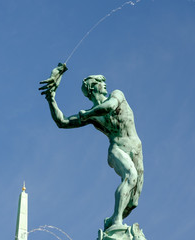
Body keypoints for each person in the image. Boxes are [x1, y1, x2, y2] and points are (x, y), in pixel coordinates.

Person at [39, 64, 144, 230]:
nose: (105, 84)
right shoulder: (93, 116)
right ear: (92, 88)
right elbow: (62, 122)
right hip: (117, 148)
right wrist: (51, 99)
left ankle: (112, 221)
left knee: (133, 202)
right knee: (130, 176)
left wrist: (87, 114)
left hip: (136, 148)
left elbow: (108, 107)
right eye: (101, 81)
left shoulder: (116, 95)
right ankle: (117, 222)